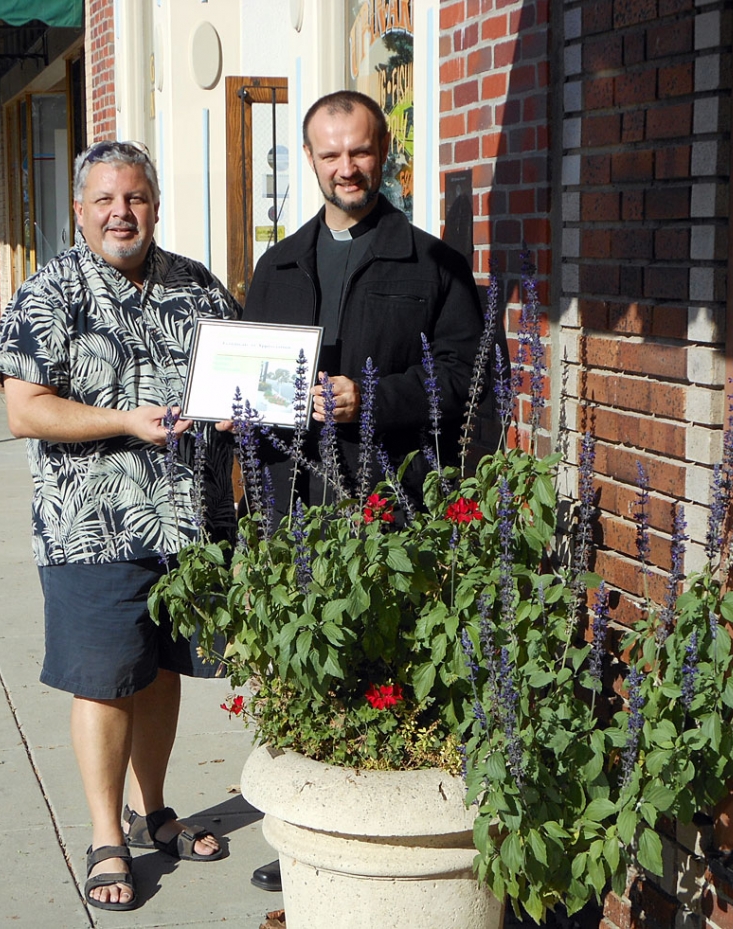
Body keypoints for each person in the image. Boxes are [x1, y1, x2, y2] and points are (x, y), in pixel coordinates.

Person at [237, 90, 485, 891]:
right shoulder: (275, 268)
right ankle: (305, 834)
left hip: (390, 502)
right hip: (294, 506)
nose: (347, 167)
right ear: (309, 160)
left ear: (386, 153)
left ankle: (371, 829)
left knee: (383, 665)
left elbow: (469, 378)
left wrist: (374, 395)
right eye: (330, 153)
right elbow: (251, 382)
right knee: (302, 664)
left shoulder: (434, 265)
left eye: (361, 150)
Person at [0, 140, 241, 911]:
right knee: (104, 681)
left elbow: (241, 377)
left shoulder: (199, 287)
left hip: (190, 524)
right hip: (90, 525)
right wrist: (122, 422)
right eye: (103, 200)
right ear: (80, 210)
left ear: (155, 204)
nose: (119, 213)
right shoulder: (49, 292)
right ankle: (106, 833)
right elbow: (23, 407)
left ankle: (152, 811)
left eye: (133, 197)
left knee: (163, 669)